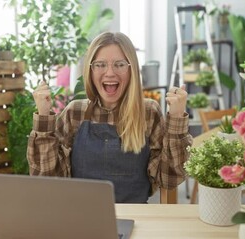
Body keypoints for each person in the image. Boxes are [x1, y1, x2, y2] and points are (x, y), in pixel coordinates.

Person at [27, 32, 192, 203]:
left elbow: (169, 179)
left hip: (136, 218)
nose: (110, 73)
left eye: (119, 64)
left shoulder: (148, 112)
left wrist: (177, 119)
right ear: (90, 70)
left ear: (131, 69)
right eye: (100, 64)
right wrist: (44, 117)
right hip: (81, 217)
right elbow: (47, 179)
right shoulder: (74, 113)